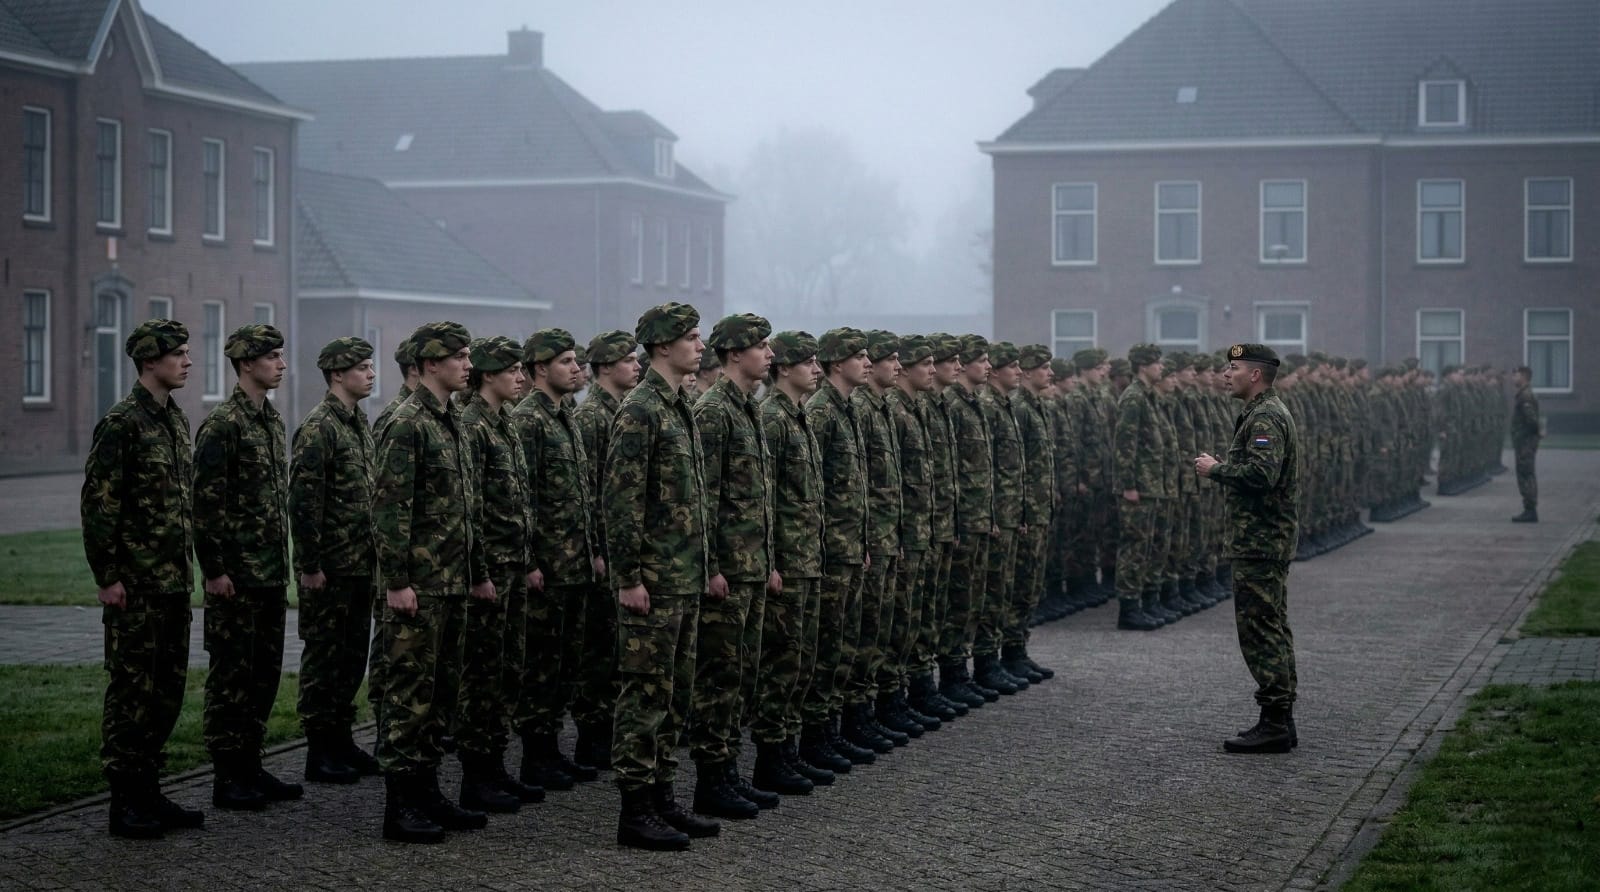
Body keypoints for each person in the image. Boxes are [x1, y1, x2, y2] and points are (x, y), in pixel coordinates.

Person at [82, 318, 206, 839]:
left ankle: (150, 792)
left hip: (173, 582)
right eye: (177, 353)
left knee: (166, 691)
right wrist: (107, 577)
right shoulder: (122, 423)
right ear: (149, 361)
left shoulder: (174, 421)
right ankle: (126, 801)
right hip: (135, 586)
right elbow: (99, 505)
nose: (187, 361)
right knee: (133, 690)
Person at [373, 321, 495, 843]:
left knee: (441, 696)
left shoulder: (454, 421)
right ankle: (400, 805)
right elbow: (389, 510)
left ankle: (427, 792)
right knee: (408, 696)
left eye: (468, 356)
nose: (468, 365)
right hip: (418, 588)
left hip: (451, 583)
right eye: (459, 357)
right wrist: (397, 581)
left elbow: (468, 509)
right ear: (428, 366)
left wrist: (477, 573)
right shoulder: (406, 424)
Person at [604, 302, 720, 851]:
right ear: (661, 347)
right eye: (691, 338)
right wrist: (628, 578)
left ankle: (664, 797)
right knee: (644, 694)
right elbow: (621, 502)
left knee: (676, 695)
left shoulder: (681, 406)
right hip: (652, 581)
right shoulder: (642, 410)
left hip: (684, 577)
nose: (700, 346)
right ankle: (635, 810)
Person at [193, 323, 301, 811]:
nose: (281, 364)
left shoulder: (271, 422)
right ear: (245, 364)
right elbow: (206, 506)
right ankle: (228, 776)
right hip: (235, 579)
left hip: (270, 574)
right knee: (232, 679)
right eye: (272, 357)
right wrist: (215, 571)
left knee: (263, 675)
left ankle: (251, 766)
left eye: (281, 356)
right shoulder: (223, 425)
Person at [690, 313, 793, 817]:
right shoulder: (714, 412)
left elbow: (758, 499)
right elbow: (703, 498)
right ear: (735, 354)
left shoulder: (747, 408)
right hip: (727, 573)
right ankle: (711, 778)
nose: (769, 355)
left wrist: (769, 560)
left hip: (751, 567)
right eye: (760, 347)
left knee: (742, 677)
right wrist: (710, 567)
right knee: (720, 678)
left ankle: (729, 771)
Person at [1196, 343, 1301, 754]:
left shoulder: (1266, 416)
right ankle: (1281, 719)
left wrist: (1216, 469)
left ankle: (1274, 721)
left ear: (1255, 375)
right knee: (1272, 626)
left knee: (1260, 631)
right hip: (1263, 539)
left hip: (1260, 541)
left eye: (1234, 367)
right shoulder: (1264, 412)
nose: (1226, 373)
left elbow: (1262, 476)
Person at [511, 329, 603, 790]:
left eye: (576, 360)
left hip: (573, 566)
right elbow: (522, 496)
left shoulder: (563, 416)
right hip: (546, 568)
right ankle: (536, 755)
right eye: (566, 361)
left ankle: (551, 750)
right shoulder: (529, 420)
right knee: (541, 667)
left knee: (565, 666)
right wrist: (529, 561)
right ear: (540, 368)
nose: (576, 368)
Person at [454, 336, 542, 813]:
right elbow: (475, 509)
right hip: (489, 572)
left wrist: (525, 561)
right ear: (488, 375)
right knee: (482, 675)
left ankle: (496, 766)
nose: (521, 378)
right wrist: (480, 571)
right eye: (511, 370)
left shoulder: (503, 421)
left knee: (507, 671)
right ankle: (476, 775)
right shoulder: (473, 426)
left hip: (512, 568)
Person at [290, 336, 382, 786]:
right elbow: (305, 503)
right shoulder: (319, 427)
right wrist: (310, 565)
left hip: (359, 564)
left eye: (370, 365)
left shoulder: (357, 423)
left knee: (350, 658)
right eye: (362, 367)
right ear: (336, 375)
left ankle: (341, 741)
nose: (371, 373)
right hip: (329, 569)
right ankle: (319, 751)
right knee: (325, 659)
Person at [759, 332, 842, 780]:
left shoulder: (798, 416)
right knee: (783, 658)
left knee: (802, 658)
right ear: (784, 369)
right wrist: (771, 559)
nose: (816, 368)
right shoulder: (773, 418)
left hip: (808, 556)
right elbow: (765, 498)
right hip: (787, 561)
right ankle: (772, 755)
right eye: (806, 362)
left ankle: (790, 748)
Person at [803, 328, 879, 764]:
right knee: (824, 646)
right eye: (860, 356)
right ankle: (815, 737)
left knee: (844, 642)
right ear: (837, 364)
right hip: (826, 551)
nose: (867, 363)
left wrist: (862, 540)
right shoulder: (820, 413)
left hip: (849, 546)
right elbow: (811, 492)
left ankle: (831, 729)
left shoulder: (846, 409)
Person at [570, 330, 641, 771]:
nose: (636, 366)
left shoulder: (620, 410)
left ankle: (605, 731)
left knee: (614, 647)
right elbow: (594, 491)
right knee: (598, 649)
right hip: (603, 551)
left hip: (615, 549)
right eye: (627, 360)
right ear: (604, 368)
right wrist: (598, 548)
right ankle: (592, 735)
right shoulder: (593, 416)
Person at [1510, 365, 1542, 523]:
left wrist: (1521, 437)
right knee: (1526, 473)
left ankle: (1530, 510)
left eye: (1515, 375)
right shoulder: (1524, 394)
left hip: (1525, 443)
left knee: (1525, 474)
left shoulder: (1525, 396)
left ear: (1523, 376)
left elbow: (1531, 421)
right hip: (1525, 442)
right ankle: (1530, 508)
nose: (1512, 378)